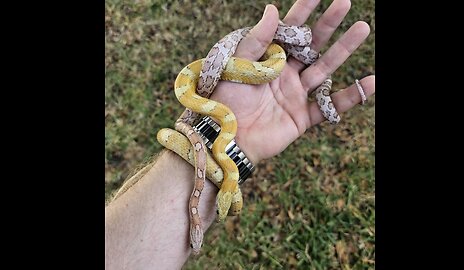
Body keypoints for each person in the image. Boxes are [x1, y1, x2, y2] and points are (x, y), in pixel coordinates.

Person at [106, 0, 375, 269]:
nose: (225, 213)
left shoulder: (227, 141)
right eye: (230, 204)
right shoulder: (227, 138)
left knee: (292, 46)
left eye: (227, 205)